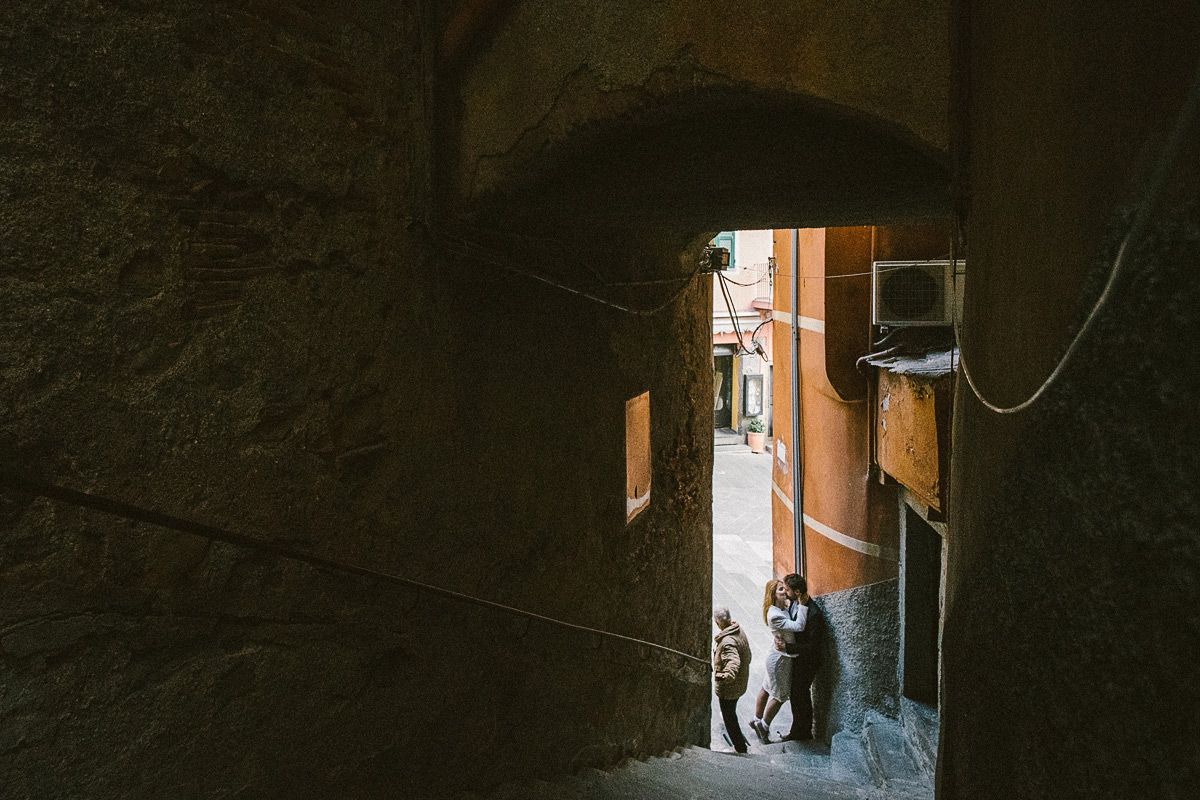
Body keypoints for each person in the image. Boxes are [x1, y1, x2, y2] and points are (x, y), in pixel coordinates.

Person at [749, 579, 807, 743]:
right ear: (773, 595)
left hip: (776, 655)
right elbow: (799, 626)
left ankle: (756, 720)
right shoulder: (774, 615)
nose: (785, 592)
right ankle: (764, 726)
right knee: (779, 695)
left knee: (767, 687)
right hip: (781, 660)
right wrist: (802, 604)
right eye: (781, 590)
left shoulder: (782, 607)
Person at [779, 572, 821, 741]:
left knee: (800, 694)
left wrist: (788, 647)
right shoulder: (796, 604)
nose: (784, 592)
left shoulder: (814, 614)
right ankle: (800, 730)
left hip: (808, 661)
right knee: (797, 694)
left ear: (797, 592)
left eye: (787, 589)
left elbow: (813, 646)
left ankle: (802, 731)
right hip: (800, 658)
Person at [712, 606, 752, 753]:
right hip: (740, 683)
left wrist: (721, 676)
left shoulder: (727, 642)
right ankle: (740, 745)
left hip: (729, 689)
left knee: (730, 718)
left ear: (717, 623)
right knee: (731, 713)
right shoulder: (738, 630)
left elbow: (733, 665)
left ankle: (740, 747)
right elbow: (748, 653)